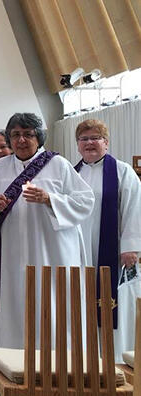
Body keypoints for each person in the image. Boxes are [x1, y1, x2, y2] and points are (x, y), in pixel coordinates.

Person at [0, 113, 93, 349]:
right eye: (16, 135)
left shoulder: (58, 165)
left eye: (28, 134)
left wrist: (50, 199)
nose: (21, 140)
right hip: (12, 254)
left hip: (52, 253)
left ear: (39, 137)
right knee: (17, 305)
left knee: (52, 305)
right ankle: (15, 366)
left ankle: (58, 366)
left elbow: (85, 201)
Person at [73, 119, 141, 356]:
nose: (89, 143)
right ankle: (83, 357)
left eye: (95, 138)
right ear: (78, 145)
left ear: (106, 142)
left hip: (112, 251)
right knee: (79, 303)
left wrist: (131, 247)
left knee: (112, 305)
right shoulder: (73, 173)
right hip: (78, 251)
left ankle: (111, 360)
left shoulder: (122, 171)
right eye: (84, 139)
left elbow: (134, 209)